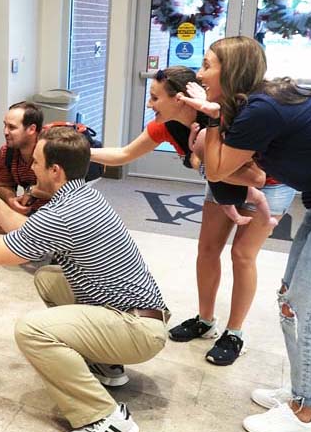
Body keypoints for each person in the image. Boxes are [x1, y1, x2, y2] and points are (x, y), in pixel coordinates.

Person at [177, 35, 311, 432]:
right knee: (291, 302)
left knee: (305, 311)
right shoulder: (257, 104)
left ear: (231, 72)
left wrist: (209, 118)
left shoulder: (260, 109)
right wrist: (216, 113)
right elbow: (248, 174)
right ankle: (304, 393)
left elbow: (220, 169)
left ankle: (305, 413)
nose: (200, 74)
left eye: (207, 66)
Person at [0, 127, 168, 432]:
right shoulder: (82, 196)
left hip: (137, 328)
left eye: (37, 163)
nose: (32, 169)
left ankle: (105, 419)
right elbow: (27, 233)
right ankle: (106, 363)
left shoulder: (64, 213)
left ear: (56, 170)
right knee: (50, 277)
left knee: (32, 330)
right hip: (139, 314)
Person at [91, 66, 294, 366]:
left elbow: (258, 176)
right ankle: (205, 320)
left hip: (271, 182)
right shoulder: (164, 125)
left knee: (242, 255)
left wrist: (200, 159)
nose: (149, 104)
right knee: (207, 249)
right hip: (222, 180)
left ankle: (234, 333)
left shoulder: (224, 118)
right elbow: (123, 155)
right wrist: (79, 150)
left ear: (181, 99)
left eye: (155, 97)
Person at [0, 101, 51, 233]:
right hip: (29, 210)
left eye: (12, 127)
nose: (5, 132)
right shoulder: (6, 152)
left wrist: (31, 192)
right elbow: (2, 185)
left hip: (55, 213)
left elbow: (62, 191)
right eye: (5, 125)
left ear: (31, 129)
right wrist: (10, 199)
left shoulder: (50, 151)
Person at [189, 124, 277, 228]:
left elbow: (192, 147)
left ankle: (237, 218)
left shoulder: (203, 163)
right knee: (260, 198)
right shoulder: (220, 156)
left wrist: (193, 133)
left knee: (226, 204)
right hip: (234, 188)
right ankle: (267, 220)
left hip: (219, 195)